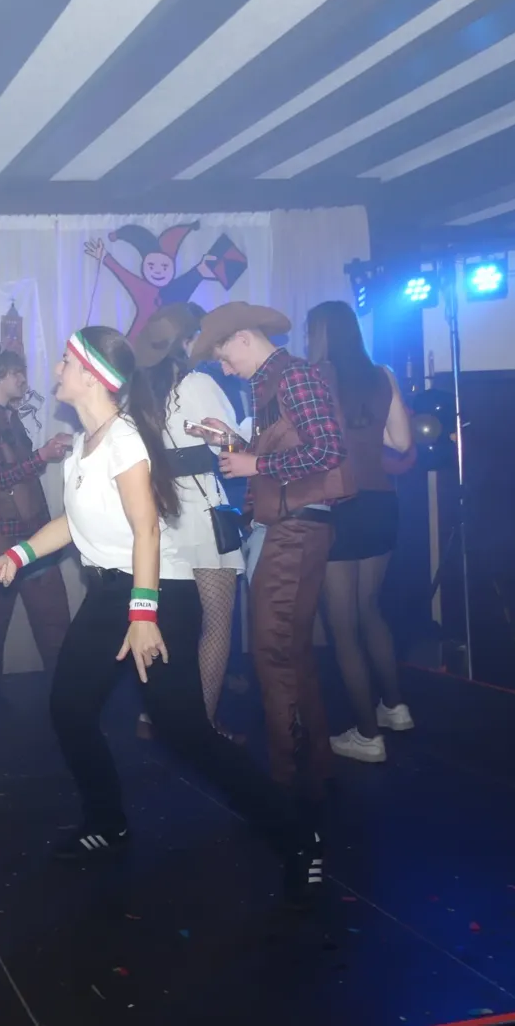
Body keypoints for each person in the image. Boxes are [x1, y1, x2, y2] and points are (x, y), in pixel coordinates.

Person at [0, 327, 321, 899]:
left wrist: (143, 618)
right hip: (110, 593)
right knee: (70, 709)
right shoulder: (85, 444)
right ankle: (107, 823)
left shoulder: (125, 440)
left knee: (184, 731)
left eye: (65, 361)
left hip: (157, 594)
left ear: (93, 375)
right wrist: (19, 555)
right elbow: (75, 523)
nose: (56, 369)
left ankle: (298, 836)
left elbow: (147, 531)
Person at [188, 302, 353, 831]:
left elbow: (328, 449)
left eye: (224, 358)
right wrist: (233, 444)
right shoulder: (273, 383)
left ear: (243, 338)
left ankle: (286, 781)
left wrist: (254, 461)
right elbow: (294, 450)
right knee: (290, 651)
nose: (226, 369)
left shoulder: (293, 376)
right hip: (290, 526)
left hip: (295, 528)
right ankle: (312, 770)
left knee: (274, 652)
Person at [305, 301, 414, 763]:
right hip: (381, 503)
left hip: (339, 504)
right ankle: (395, 708)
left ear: (321, 334)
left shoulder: (314, 377)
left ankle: (368, 736)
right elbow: (402, 442)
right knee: (370, 609)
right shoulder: (382, 374)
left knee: (342, 625)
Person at [130, 304, 245, 741]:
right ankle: (203, 727)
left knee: (163, 624)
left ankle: (152, 716)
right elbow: (231, 446)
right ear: (185, 342)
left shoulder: (138, 390)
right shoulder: (196, 383)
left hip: (155, 515)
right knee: (215, 624)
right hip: (198, 511)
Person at [0, 347, 72, 707]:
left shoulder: (9, 418)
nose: (23, 378)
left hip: (32, 531)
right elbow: (0, 476)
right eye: (15, 373)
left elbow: (21, 473)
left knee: (53, 616)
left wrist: (45, 454)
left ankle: (67, 695)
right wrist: (43, 455)